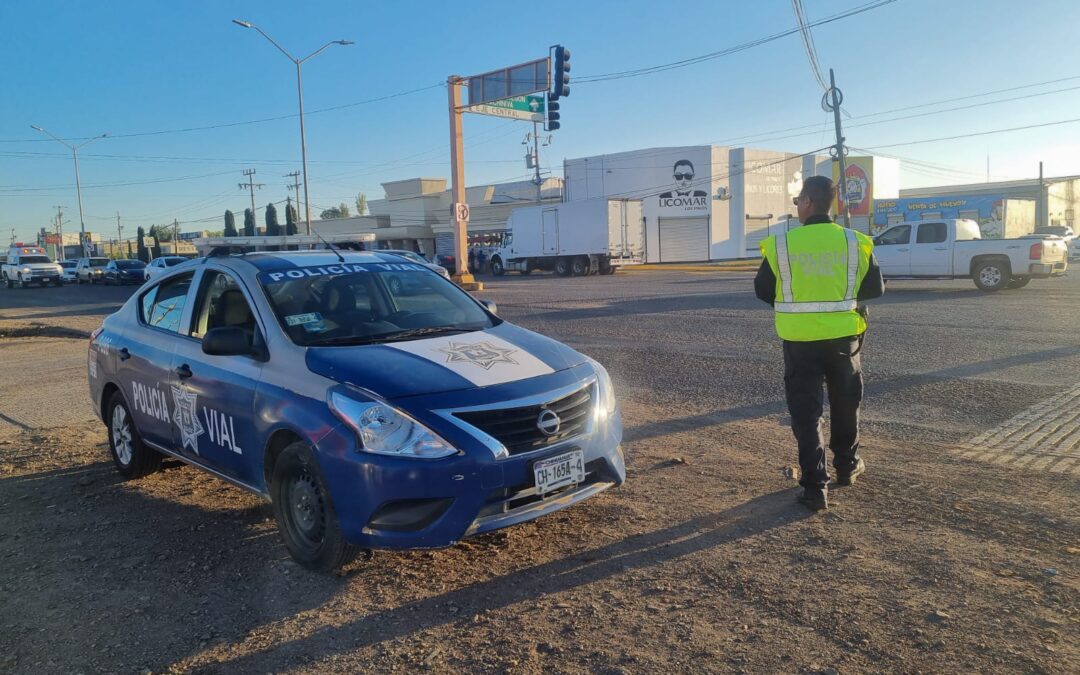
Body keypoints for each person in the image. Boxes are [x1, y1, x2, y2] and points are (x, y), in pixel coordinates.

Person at [754, 175, 884, 511]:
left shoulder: (782, 245)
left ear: (809, 202)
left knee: (806, 413)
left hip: (800, 341)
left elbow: (763, 290)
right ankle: (846, 466)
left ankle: (815, 488)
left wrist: (797, 309)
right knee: (845, 404)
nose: (796, 206)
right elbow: (875, 289)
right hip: (844, 339)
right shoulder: (856, 242)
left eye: (797, 200)